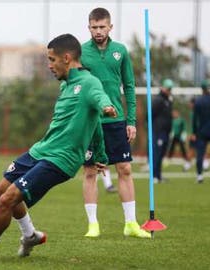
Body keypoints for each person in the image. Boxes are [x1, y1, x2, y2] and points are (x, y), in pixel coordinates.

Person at [0, 33, 117, 262]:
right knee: (0, 191)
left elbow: (101, 99)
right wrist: (100, 153)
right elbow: (94, 122)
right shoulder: (66, 85)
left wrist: (107, 107)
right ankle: (31, 235)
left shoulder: (89, 83)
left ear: (67, 58)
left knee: (7, 200)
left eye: (51, 59)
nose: (49, 65)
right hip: (42, 150)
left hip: (61, 159)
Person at [80, 7, 150, 238]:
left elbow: (129, 87)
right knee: (90, 171)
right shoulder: (81, 52)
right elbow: (74, 86)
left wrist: (131, 121)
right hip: (91, 121)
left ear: (110, 27)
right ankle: (93, 224)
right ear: (88, 27)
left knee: (125, 169)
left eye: (102, 27)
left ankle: (130, 223)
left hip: (116, 120)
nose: (98, 31)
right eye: (94, 27)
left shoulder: (121, 51)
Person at [151, 79, 174, 183]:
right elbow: (150, 115)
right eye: (168, 88)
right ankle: (154, 176)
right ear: (163, 87)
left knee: (161, 154)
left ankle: (159, 175)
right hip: (158, 131)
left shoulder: (168, 100)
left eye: (170, 89)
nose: (169, 90)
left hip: (165, 132)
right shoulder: (158, 100)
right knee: (156, 153)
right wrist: (155, 127)